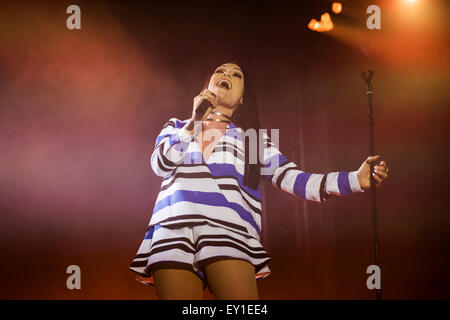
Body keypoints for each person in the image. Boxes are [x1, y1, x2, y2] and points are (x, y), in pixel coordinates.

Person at [129, 62, 389, 300]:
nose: (226, 75)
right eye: (220, 71)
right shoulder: (176, 126)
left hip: (228, 232)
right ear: (205, 87)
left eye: (236, 74)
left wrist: (355, 179)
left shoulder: (251, 139)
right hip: (173, 231)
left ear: (242, 99)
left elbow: (294, 179)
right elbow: (160, 164)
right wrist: (194, 123)